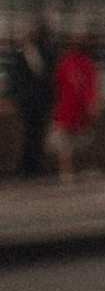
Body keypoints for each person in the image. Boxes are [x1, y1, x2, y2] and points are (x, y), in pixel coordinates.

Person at [45, 34, 99, 182]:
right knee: (82, 142)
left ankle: (66, 172)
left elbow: (56, 84)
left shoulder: (64, 62)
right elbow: (90, 88)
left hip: (65, 106)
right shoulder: (87, 63)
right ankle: (82, 169)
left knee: (65, 143)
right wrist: (91, 106)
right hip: (78, 108)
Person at [8, 23, 53, 185]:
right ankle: (29, 166)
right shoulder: (21, 56)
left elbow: (48, 78)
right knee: (30, 134)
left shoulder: (45, 54)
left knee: (36, 134)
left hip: (39, 102)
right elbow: (15, 79)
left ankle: (33, 166)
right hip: (28, 103)